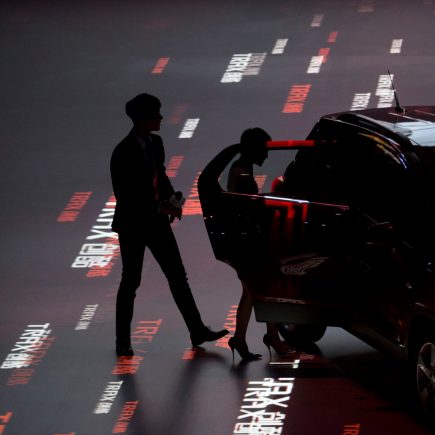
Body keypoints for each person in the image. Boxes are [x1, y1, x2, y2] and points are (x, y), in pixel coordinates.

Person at [110, 93, 228, 356]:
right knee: (131, 280)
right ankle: (122, 341)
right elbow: (125, 196)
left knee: (177, 276)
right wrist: (158, 207)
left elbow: (159, 175)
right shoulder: (122, 152)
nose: (161, 118)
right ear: (142, 118)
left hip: (155, 222)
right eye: (156, 113)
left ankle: (197, 330)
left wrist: (171, 199)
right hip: (132, 225)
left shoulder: (156, 142)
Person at [226, 128, 297, 362]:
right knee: (264, 290)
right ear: (254, 149)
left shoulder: (241, 168)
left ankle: (244, 338)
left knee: (252, 292)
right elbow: (250, 210)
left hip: (243, 242)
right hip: (249, 243)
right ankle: (271, 338)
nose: (267, 155)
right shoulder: (243, 175)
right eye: (264, 149)